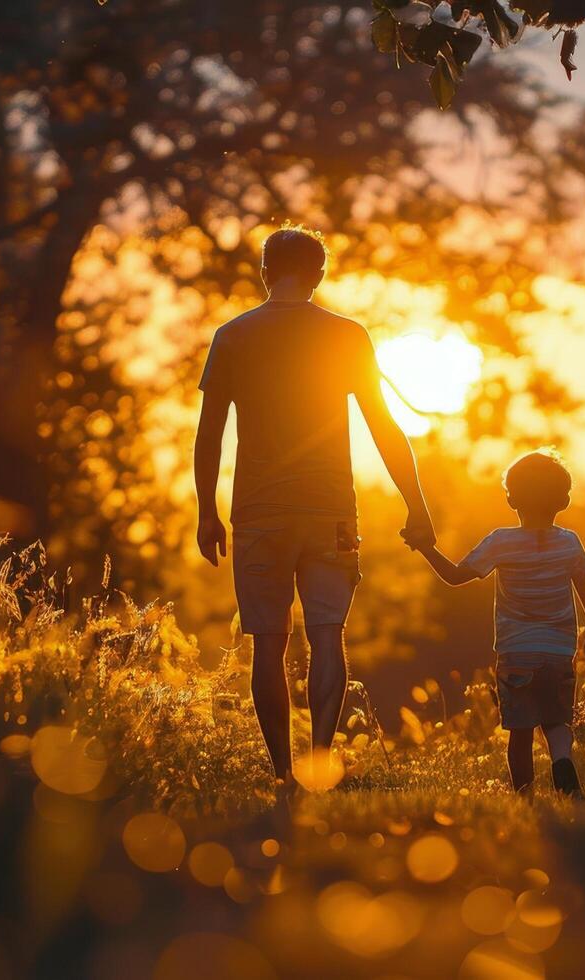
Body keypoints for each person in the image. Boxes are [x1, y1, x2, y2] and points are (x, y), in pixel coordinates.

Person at [193, 225, 436, 796]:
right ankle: (320, 762)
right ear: (320, 274)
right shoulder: (348, 336)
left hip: (257, 514)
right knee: (329, 636)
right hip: (332, 513)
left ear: (264, 272)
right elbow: (384, 427)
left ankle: (282, 773)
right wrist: (415, 505)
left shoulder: (233, 336)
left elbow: (209, 435)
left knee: (268, 643)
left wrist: (209, 509)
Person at [405, 449, 585, 797]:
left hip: (516, 653)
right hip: (559, 652)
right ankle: (561, 760)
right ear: (564, 499)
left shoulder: (501, 542)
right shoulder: (569, 543)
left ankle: (525, 799)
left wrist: (426, 548)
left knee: (521, 731)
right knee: (557, 720)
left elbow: (454, 577)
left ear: (511, 498)